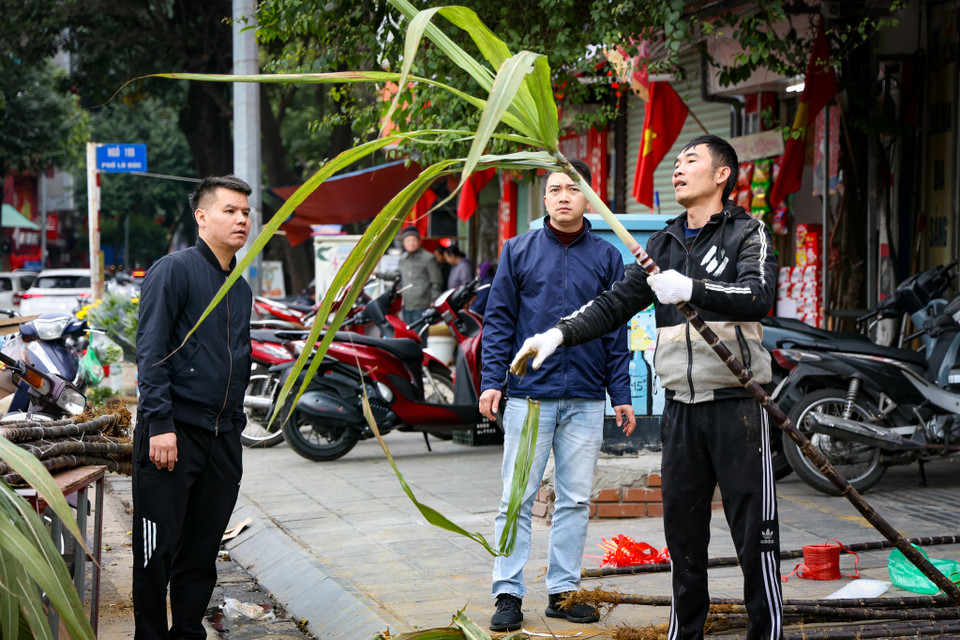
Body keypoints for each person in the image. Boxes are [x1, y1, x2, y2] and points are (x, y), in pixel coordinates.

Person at [513, 136, 782, 640]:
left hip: (738, 406)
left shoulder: (749, 232)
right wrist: (557, 334)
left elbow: (758, 295)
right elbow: (613, 304)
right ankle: (687, 634)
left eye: (691, 161)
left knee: (755, 538)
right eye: (676, 162)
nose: (677, 169)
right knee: (682, 536)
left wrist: (693, 290)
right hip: (680, 408)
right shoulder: (662, 245)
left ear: (722, 174)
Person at [479, 158, 636, 632]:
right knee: (516, 497)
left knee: (573, 499)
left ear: (590, 198)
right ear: (544, 200)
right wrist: (492, 380)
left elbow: (614, 331)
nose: (563, 196)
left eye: (573, 188)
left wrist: (620, 392)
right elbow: (500, 320)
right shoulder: (518, 251)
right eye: (554, 190)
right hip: (529, 395)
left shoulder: (608, 258)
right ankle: (507, 592)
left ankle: (563, 594)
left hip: (587, 398)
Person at [133, 175, 254, 640]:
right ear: (202, 216)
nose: (241, 219)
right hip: (172, 435)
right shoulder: (174, 270)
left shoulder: (237, 288)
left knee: (201, 552)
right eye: (230, 210)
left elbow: (237, 361)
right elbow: (152, 350)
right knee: (155, 551)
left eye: (245, 212)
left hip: (221, 439)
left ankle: (188, 633)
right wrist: (160, 423)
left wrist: (236, 427)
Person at [391, 226, 444, 326]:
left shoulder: (428, 258)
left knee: (420, 336)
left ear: (419, 241)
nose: (411, 243)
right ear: (403, 243)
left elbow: (436, 281)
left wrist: (434, 300)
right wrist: (377, 274)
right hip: (407, 305)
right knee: (408, 335)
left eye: (414, 240)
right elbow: (396, 274)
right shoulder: (403, 258)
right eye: (408, 240)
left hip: (423, 305)